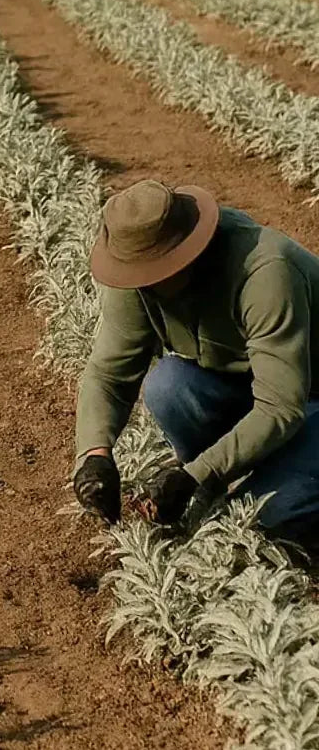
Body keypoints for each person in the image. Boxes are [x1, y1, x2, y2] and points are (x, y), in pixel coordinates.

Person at [72, 179, 319, 532]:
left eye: (154, 272)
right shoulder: (137, 271)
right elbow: (109, 374)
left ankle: (272, 474)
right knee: (170, 386)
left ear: (188, 252)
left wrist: (198, 475)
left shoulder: (264, 271)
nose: (144, 282)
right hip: (257, 389)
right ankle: (250, 468)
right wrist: (94, 457)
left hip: (301, 394)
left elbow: (281, 406)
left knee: (263, 514)